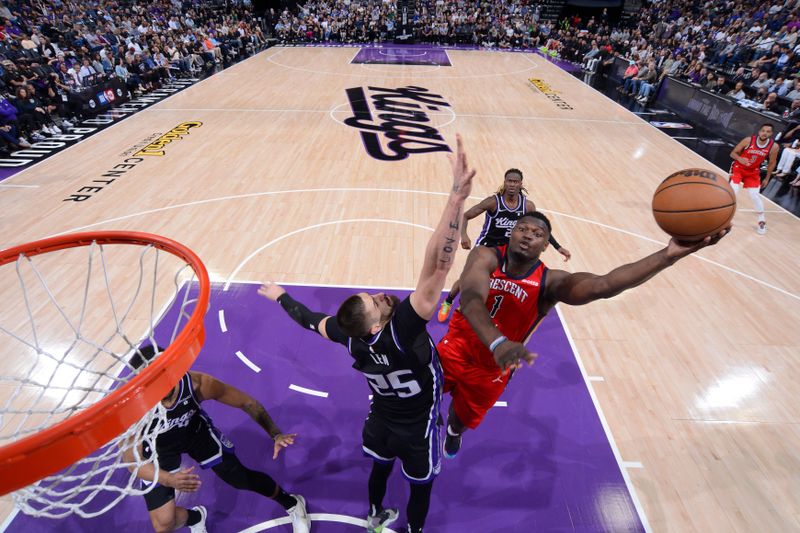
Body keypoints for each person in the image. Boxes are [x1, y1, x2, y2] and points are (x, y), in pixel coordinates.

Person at [258, 135, 476, 533]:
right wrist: (455, 201)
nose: (379, 295)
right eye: (375, 302)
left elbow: (308, 319)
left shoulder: (350, 337)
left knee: (379, 466)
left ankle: (375, 513)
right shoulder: (404, 329)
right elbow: (438, 267)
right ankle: (415, 529)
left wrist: (280, 297)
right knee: (421, 487)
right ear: (377, 323)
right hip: (417, 430)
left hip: (380, 422)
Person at [438, 212, 729, 458]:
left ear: (544, 247)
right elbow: (472, 299)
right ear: (510, 234)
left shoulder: (551, 282)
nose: (528, 235)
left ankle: (453, 432)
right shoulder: (485, 255)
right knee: (413, 399)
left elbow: (603, 285)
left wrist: (667, 256)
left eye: (537, 233)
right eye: (522, 229)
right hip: (455, 351)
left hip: (492, 371)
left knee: (459, 420)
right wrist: (498, 341)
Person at [124, 346, 310, 533]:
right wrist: (168, 479)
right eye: (150, 380)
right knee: (164, 525)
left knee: (240, 479)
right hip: (159, 448)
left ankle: (292, 503)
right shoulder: (134, 407)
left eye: (160, 376)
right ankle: (197, 518)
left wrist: (275, 434)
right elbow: (132, 462)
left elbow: (247, 402)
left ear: (170, 367)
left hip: (196, 433)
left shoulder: (196, 384)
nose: (157, 385)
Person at [437, 168, 571, 322]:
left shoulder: (527, 206)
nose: (512, 184)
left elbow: (542, 228)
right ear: (505, 182)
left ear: (521, 184)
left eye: (515, 181)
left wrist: (558, 247)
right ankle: (448, 301)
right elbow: (465, 216)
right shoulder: (493, 202)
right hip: (487, 246)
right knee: (469, 277)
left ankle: (493, 307)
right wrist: (464, 235)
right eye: (509, 181)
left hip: (508, 250)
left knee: (505, 282)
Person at [729, 123, 778, 234]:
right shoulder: (748, 140)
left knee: (755, 195)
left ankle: (761, 222)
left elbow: (772, 163)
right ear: (759, 131)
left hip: (753, 171)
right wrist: (740, 159)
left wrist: (767, 178)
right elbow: (733, 153)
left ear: (771, 134)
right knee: (733, 192)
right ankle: (726, 221)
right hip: (738, 168)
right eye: (763, 130)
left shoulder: (773, 146)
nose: (765, 133)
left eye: (768, 131)